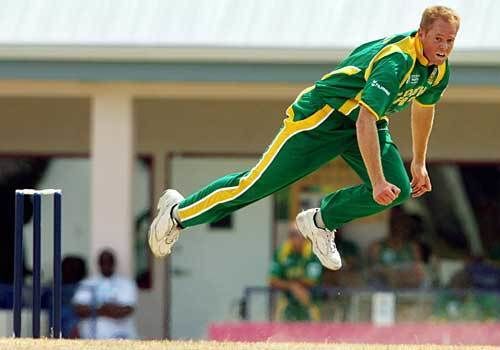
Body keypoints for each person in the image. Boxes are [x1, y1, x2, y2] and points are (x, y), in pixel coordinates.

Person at [148, 6, 460, 272]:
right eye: (438, 38)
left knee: (400, 187)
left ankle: (320, 221)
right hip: (323, 117)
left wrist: (419, 162)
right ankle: (177, 215)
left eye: (450, 40)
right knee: (254, 185)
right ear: (421, 33)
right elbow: (364, 119)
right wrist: (376, 181)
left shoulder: (437, 67)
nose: (444, 46)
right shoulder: (397, 62)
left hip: (366, 120)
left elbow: (424, 107)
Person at [72, 249, 138, 339]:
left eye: (109, 262)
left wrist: (95, 309)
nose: (106, 265)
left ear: (114, 263)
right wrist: (104, 308)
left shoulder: (126, 284)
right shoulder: (87, 283)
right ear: (98, 264)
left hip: (121, 337)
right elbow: (79, 309)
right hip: (91, 339)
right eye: (103, 262)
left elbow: (126, 310)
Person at [269, 224, 323, 321]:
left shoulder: (313, 253)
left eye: (297, 234)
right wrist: (292, 286)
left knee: (313, 333)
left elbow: (312, 280)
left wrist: (294, 285)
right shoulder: (282, 252)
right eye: (291, 234)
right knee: (281, 333)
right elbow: (273, 280)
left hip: (309, 301)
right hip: (287, 302)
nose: (294, 238)